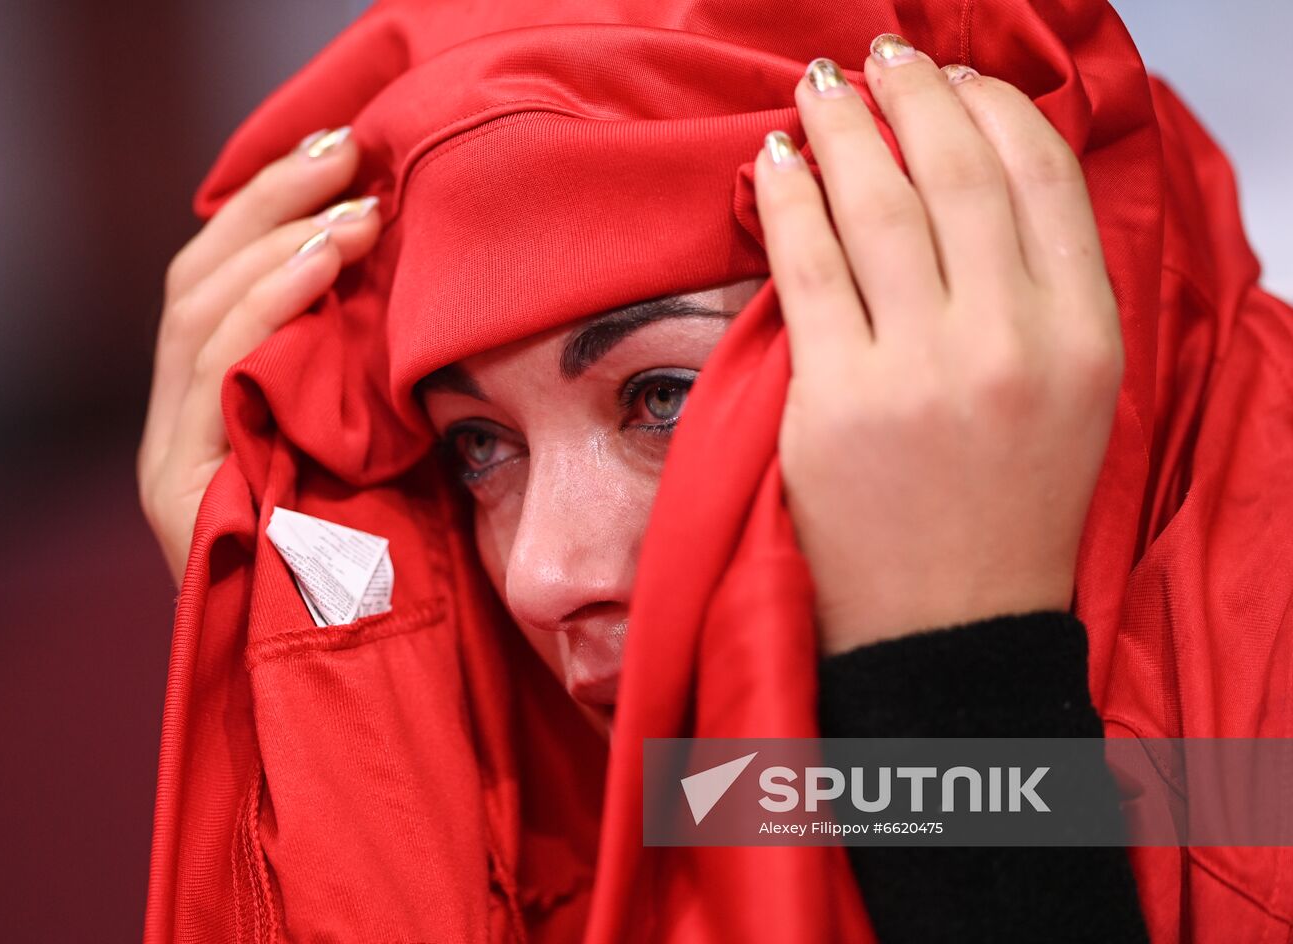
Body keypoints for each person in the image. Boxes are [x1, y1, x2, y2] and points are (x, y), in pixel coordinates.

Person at [138, 2, 1293, 942]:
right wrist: (312, 671)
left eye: (664, 396)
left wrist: (960, 687)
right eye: (477, 446)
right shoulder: (648, 788)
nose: (538, 574)